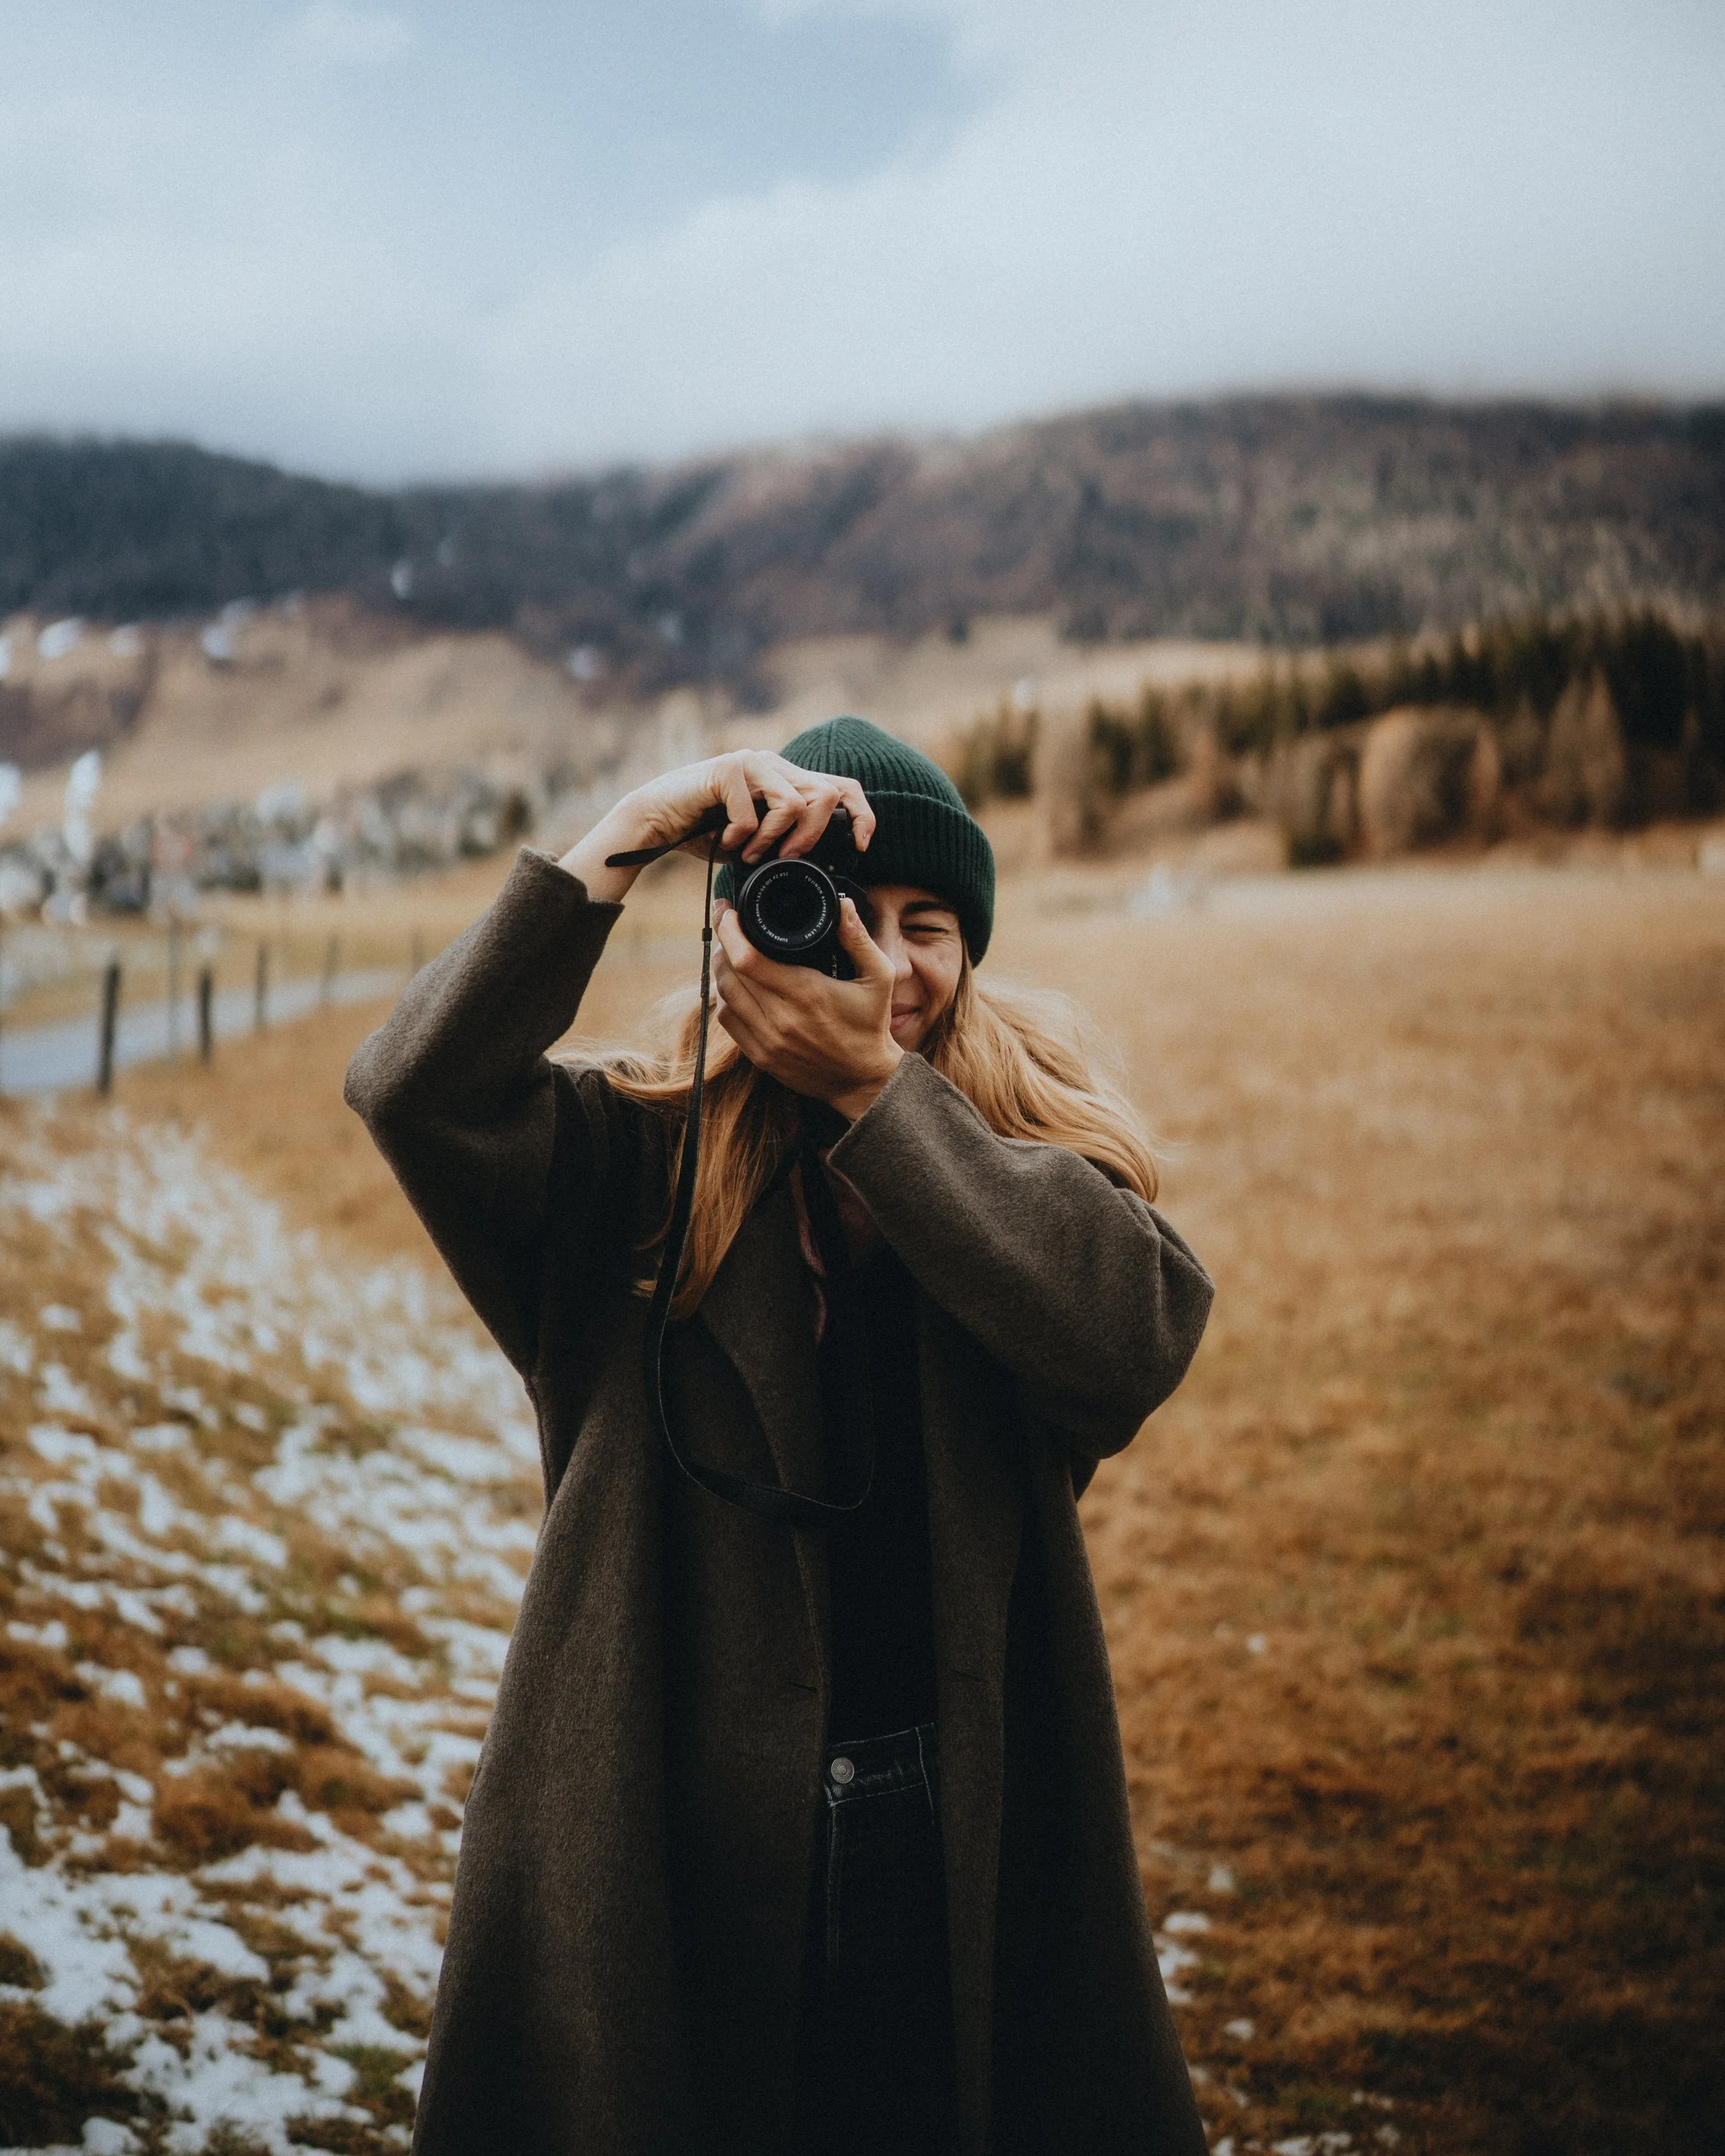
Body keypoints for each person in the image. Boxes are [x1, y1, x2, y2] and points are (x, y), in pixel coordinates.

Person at [345, 717, 1215, 2156]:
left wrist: (877, 1096)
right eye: (838, 913)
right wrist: (627, 831)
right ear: (749, 929)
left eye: (924, 923)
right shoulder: (630, 1167)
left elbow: (1133, 1338)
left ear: (972, 947)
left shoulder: (1034, 1172)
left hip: (955, 1831)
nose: (883, 961)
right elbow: (414, 1091)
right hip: (656, 1828)